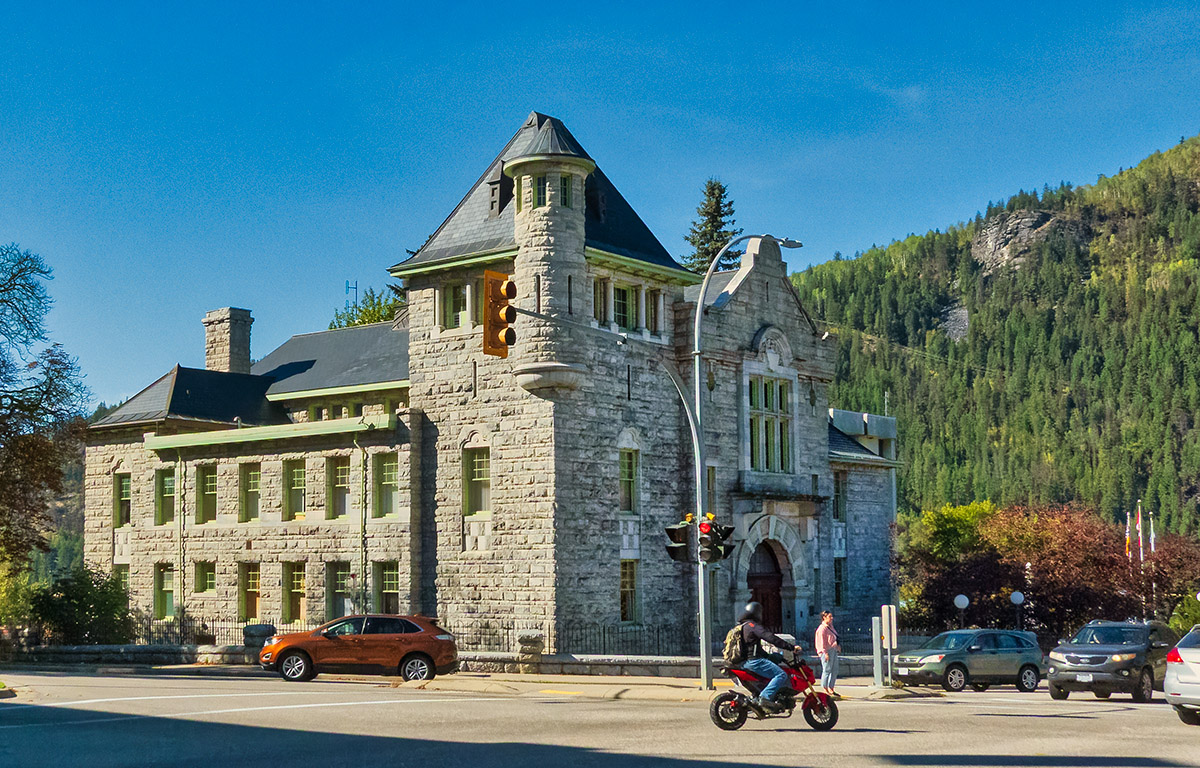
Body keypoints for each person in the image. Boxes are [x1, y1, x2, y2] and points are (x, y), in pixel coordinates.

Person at [735, 602, 798, 712]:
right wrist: (790, 647)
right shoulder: (752, 626)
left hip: (746, 661)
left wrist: (770, 656)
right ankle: (765, 698)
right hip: (754, 661)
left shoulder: (743, 627)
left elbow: (754, 648)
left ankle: (758, 698)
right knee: (781, 675)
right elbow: (769, 637)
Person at [815, 610, 840, 697]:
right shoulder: (822, 629)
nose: (831, 618)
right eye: (829, 616)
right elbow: (822, 643)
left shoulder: (830, 627)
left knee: (834, 669)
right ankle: (825, 688)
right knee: (827, 669)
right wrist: (825, 653)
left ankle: (831, 687)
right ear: (824, 617)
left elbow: (834, 637)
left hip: (833, 650)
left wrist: (837, 646)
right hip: (826, 651)